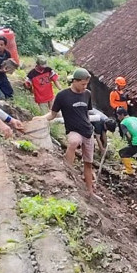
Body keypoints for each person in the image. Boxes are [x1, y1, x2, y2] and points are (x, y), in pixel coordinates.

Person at [39, 68, 96, 197]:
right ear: (74, 81)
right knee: (74, 142)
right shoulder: (62, 95)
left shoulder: (87, 94)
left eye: (86, 84)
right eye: (82, 84)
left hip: (87, 131)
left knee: (88, 163)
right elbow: (53, 114)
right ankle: (67, 170)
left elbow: (86, 112)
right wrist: (41, 119)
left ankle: (90, 191)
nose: (84, 87)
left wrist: (89, 127)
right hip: (73, 130)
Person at [115, 108, 137, 174]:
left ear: (122, 115)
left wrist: (130, 142)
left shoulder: (123, 123)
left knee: (123, 153)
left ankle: (129, 170)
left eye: (118, 116)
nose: (118, 117)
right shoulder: (136, 118)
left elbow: (129, 136)